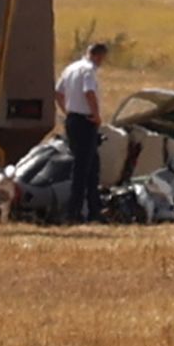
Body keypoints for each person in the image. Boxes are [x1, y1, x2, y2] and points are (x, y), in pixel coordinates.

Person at [54, 42, 108, 222]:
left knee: (92, 166)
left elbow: (58, 92)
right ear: (98, 56)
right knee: (82, 168)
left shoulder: (71, 68)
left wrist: (67, 111)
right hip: (85, 121)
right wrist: (96, 115)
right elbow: (89, 92)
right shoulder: (88, 70)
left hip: (72, 120)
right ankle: (73, 212)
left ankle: (94, 210)